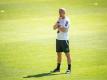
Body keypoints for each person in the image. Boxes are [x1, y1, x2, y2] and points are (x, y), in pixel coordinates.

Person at [52, 8, 72, 74]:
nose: (59, 13)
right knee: (58, 54)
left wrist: (58, 27)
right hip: (58, 39)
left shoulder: (67, 20)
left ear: (64, 13)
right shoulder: (59, 19)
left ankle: (69, 69)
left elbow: (65, 30)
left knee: (67, 54)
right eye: (59, 12)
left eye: (61, 12)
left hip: (64, 40)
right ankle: (58, 68)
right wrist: (58, 23)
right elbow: (54, 28)